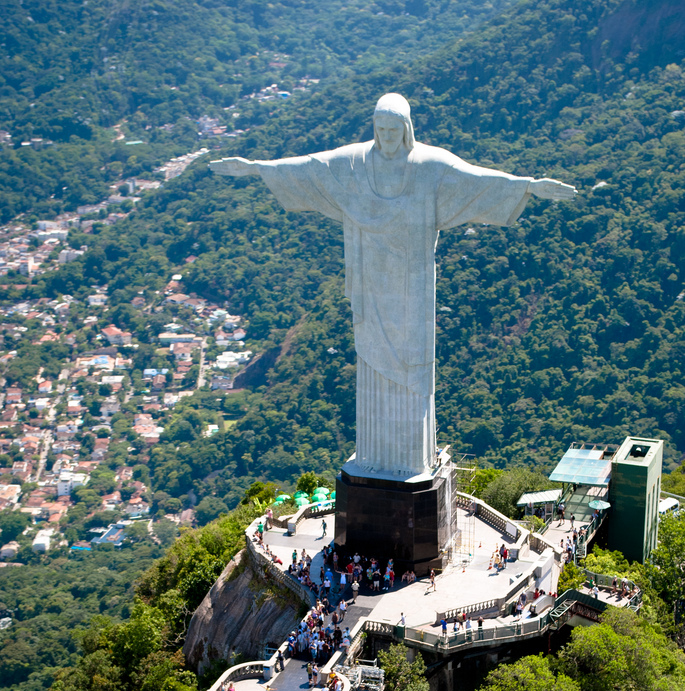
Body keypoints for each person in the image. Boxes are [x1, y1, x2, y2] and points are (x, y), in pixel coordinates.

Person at [211, 94, 575, 478]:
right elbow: (310, 168)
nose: (386, 137)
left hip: (413, 287)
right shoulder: (354, 163)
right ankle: (374, 458)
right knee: (371, 359)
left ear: (407, 129)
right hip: (371, 282)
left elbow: (476, 180)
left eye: (393, 130)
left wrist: (529, 187)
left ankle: (411, 459)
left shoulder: (429, 166)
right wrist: (255, 169)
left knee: (412, 364)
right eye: (380, 130)